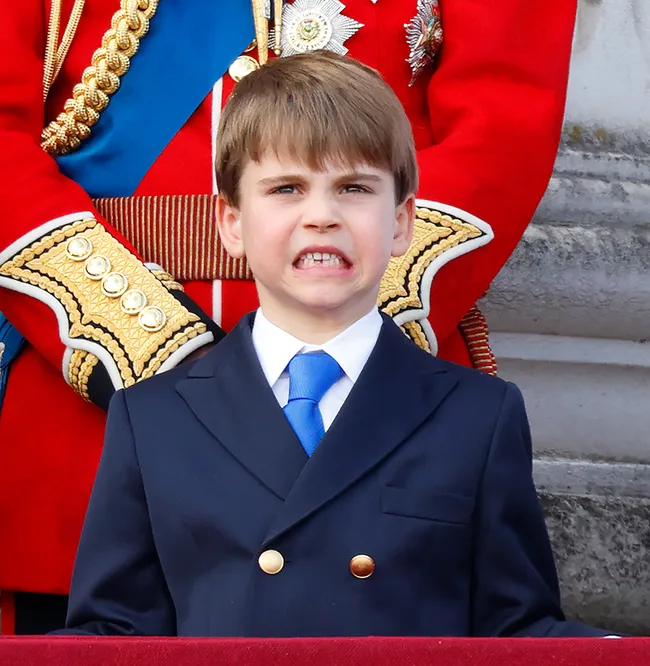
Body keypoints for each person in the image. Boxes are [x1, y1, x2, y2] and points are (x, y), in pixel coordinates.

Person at [0, 1, 579, 633]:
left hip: (388, 431)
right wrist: (149, 345)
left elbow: (503, 127)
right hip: (89, 410)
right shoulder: (149, 418)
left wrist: (347, 356)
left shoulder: (477, 420)